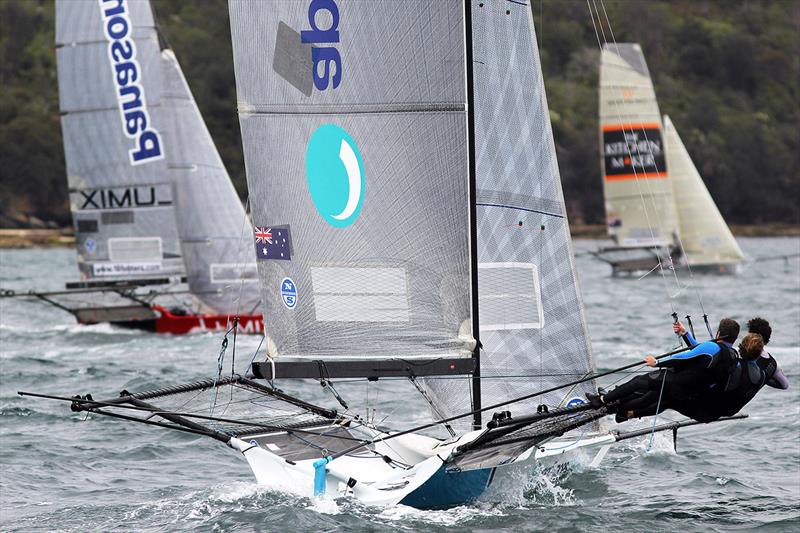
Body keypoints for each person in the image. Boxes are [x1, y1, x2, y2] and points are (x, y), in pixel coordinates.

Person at [587, 318, 741, 422]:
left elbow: (684, 357)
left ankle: (600, 401)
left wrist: (657, 362)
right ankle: (621, 411)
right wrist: (684, 333)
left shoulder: (712, 346)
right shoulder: (734, 356)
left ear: (719, 333)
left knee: (638, 382)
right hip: (691, 393)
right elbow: (701, 352)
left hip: (678, 382)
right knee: (647, 397)